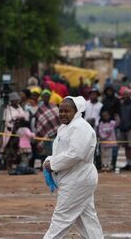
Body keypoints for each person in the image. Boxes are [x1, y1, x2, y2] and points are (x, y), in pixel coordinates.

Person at [43, 96, 103, 239]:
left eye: (67, 111)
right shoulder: (65, 127)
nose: (62, 114)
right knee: (87, 221)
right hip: (74, 177)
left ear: (76, 111)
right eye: (61, 111)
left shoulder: (81, 127)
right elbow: (62, 151)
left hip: (78, 178)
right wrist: (50, 159)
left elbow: (76, 154)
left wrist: (52, 164)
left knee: (61, 219)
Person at [34, 90, 60, 169]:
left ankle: (54, 166)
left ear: (49, 97)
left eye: (47, 96)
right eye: (44, 96)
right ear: (42, 98)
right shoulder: (40, 109)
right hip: (45, 134)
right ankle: (44, 166)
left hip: (56, 133)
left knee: (56, 150)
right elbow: (38, 122)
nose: (46, 98)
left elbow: (58, 119)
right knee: (46, 151)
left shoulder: (54, 106)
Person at [117, 87, 131, 170]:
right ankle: (128, 162)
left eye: (126, 94)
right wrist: (121, 126)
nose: (125, 96)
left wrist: (130, 125)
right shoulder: (122, 104)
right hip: (123, 128)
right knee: (126, 146)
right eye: (124, 94)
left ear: (130, 95)